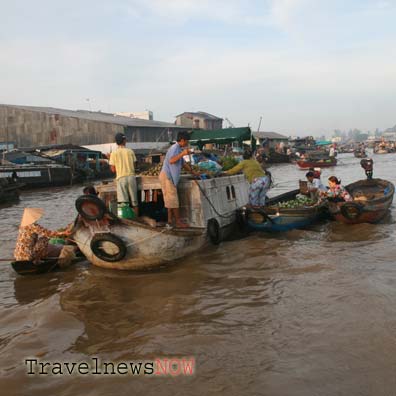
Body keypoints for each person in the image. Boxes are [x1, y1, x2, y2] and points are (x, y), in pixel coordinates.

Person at [159, 131, 196, 228]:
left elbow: (183, 163)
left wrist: (193, 172)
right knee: (173, 201)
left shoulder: (178, 149)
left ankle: (170, 221)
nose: (187, 143)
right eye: (187, 141)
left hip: (168, 177)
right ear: (183, 140)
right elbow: (171, 160)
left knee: (169, 201)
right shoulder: (175, 148)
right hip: (167, 176)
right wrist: (183, 153)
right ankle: (178, 222)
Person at [109, 133, 139, 216]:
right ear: (124, 140)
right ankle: (136, 218)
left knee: (123, 202)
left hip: (121, 178)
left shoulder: (114, 153)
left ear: (116, 142)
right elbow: (135, 165)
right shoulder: (130, 151)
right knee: (134, 201)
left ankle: (124, 218)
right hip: (131, 177)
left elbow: (113, 169)